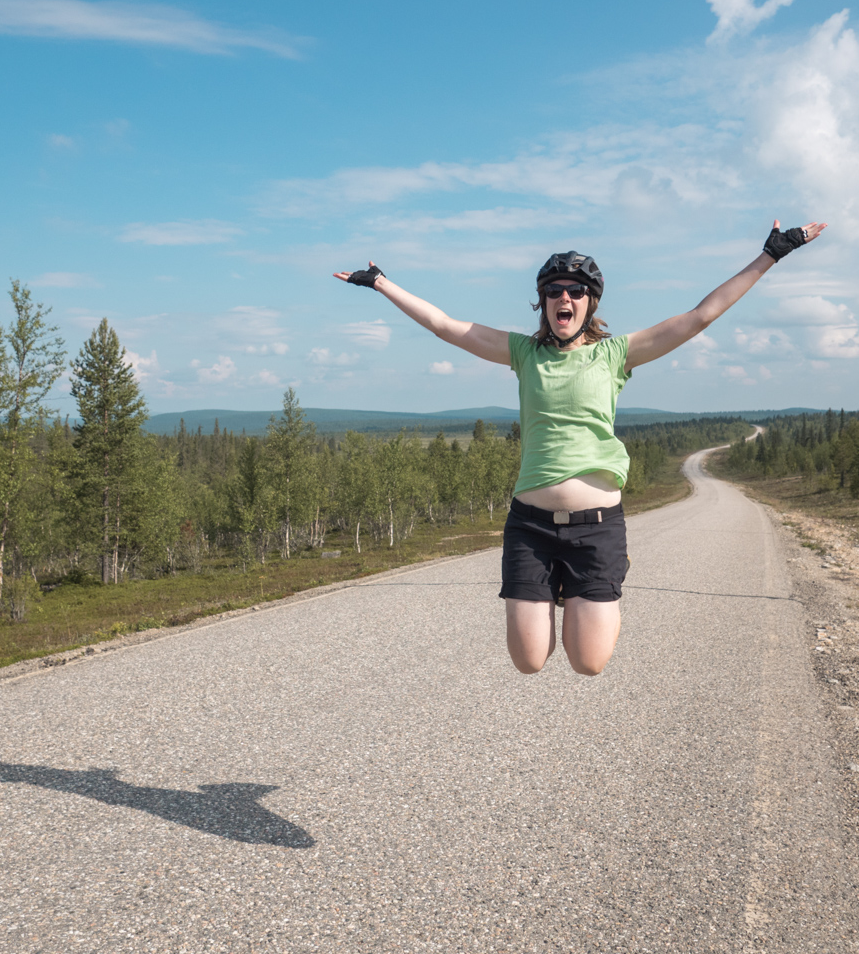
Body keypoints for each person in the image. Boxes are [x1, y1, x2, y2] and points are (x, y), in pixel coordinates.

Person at [333, 219, 826, 676]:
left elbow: (700, 316)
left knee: (588, 663)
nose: (563, 298)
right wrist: (380, 282)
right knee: (528, 661)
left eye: (574, 291)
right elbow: (445, 325)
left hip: (596, 530)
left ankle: (591, 596)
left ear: (590, 302)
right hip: (530, 527)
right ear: (543, 302)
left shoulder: (616, 355)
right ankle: (566, 597)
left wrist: (770, 255)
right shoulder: (523, 353)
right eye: (553, 291)